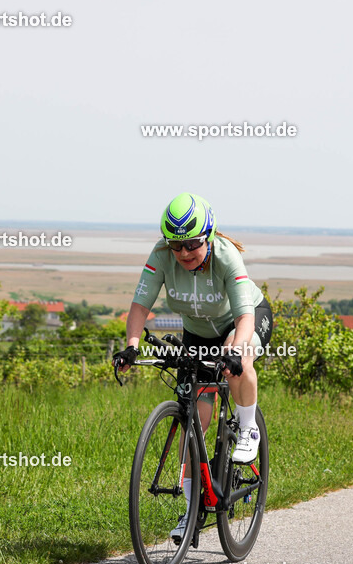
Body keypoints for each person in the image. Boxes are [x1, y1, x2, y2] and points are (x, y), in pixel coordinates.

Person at [113, 192, 273, 540]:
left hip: (242, 322)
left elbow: (245, 317)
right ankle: (192, 512)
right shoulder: (160, 256)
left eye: (192, 244)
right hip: (198, 334)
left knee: (239, 361)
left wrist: (234, 352)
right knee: (194, 425)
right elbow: (140, 305)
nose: (184, 253)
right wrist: (131, 346)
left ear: (209, 236)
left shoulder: (227, 257)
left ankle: (248, 428)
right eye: (176, 246)